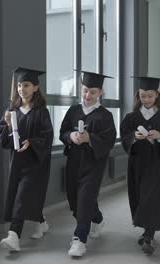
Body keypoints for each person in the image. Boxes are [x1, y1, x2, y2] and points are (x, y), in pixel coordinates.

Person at [59, 71, 117, 257]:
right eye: (85, 91)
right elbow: (63, 132)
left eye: (92, 92)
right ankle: (97, 219)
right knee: (75, 199)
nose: (87, 95)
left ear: (100, 92)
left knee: (85, 198)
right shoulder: (73, 111)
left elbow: (109, 140)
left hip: (93, 163)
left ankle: (79, 239)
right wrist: (71, 136)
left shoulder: (105, 115)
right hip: (74, 161)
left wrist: (89, 138)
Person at [0, 67, 53, 252]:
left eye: (26, 85)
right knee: (22, 196)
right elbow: (4, 139)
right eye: (20, 85)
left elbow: (47, 136)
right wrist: (6, 124)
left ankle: (14, 236)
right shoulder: (12, 110)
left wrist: (32, 142)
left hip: (35, 163)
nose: (22, 89)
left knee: (21, 197)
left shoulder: (41, 111)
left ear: (35, 87)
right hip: (17, 163)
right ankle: (41, 221)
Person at [120, 76, 160, 255]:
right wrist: (134, 138)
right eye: (143, 96)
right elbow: (124, 137)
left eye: (150, 96)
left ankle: (149, 236)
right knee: (139, 197)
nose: (146, 99)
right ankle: (147, 231)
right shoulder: (131, 117)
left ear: (157, 95)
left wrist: (159, 136)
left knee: (152, 198)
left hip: (156, 164)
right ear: (139, 95)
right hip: (137, 164)